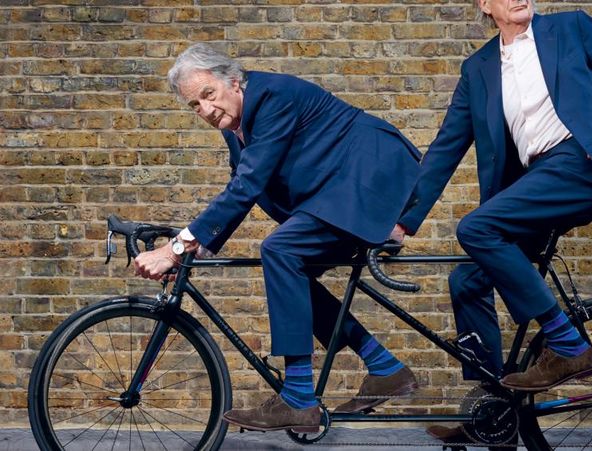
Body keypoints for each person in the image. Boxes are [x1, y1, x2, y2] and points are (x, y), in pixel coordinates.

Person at [133, 43, 421, 432]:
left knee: (280, 250)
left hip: (371, 176)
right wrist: (190, 249)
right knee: (290, 270)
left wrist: (177, 246)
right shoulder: (236, 125)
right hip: (337, 193)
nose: (204, 109)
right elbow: (242, 185)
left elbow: (249, 184)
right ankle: (384, 367)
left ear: (234, 81)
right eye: (194, 105)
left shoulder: (272, 97)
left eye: (208, 95)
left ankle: (300, 399)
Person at [394, 0, 592, 401]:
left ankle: (568, 347)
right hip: (537, 179)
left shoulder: (571, 28)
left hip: (581, 163)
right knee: (467, 281)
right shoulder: (478, 68)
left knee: (475, 227)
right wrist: (402, 221)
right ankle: (493, 408)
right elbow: (445, 149)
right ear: (485, 5)